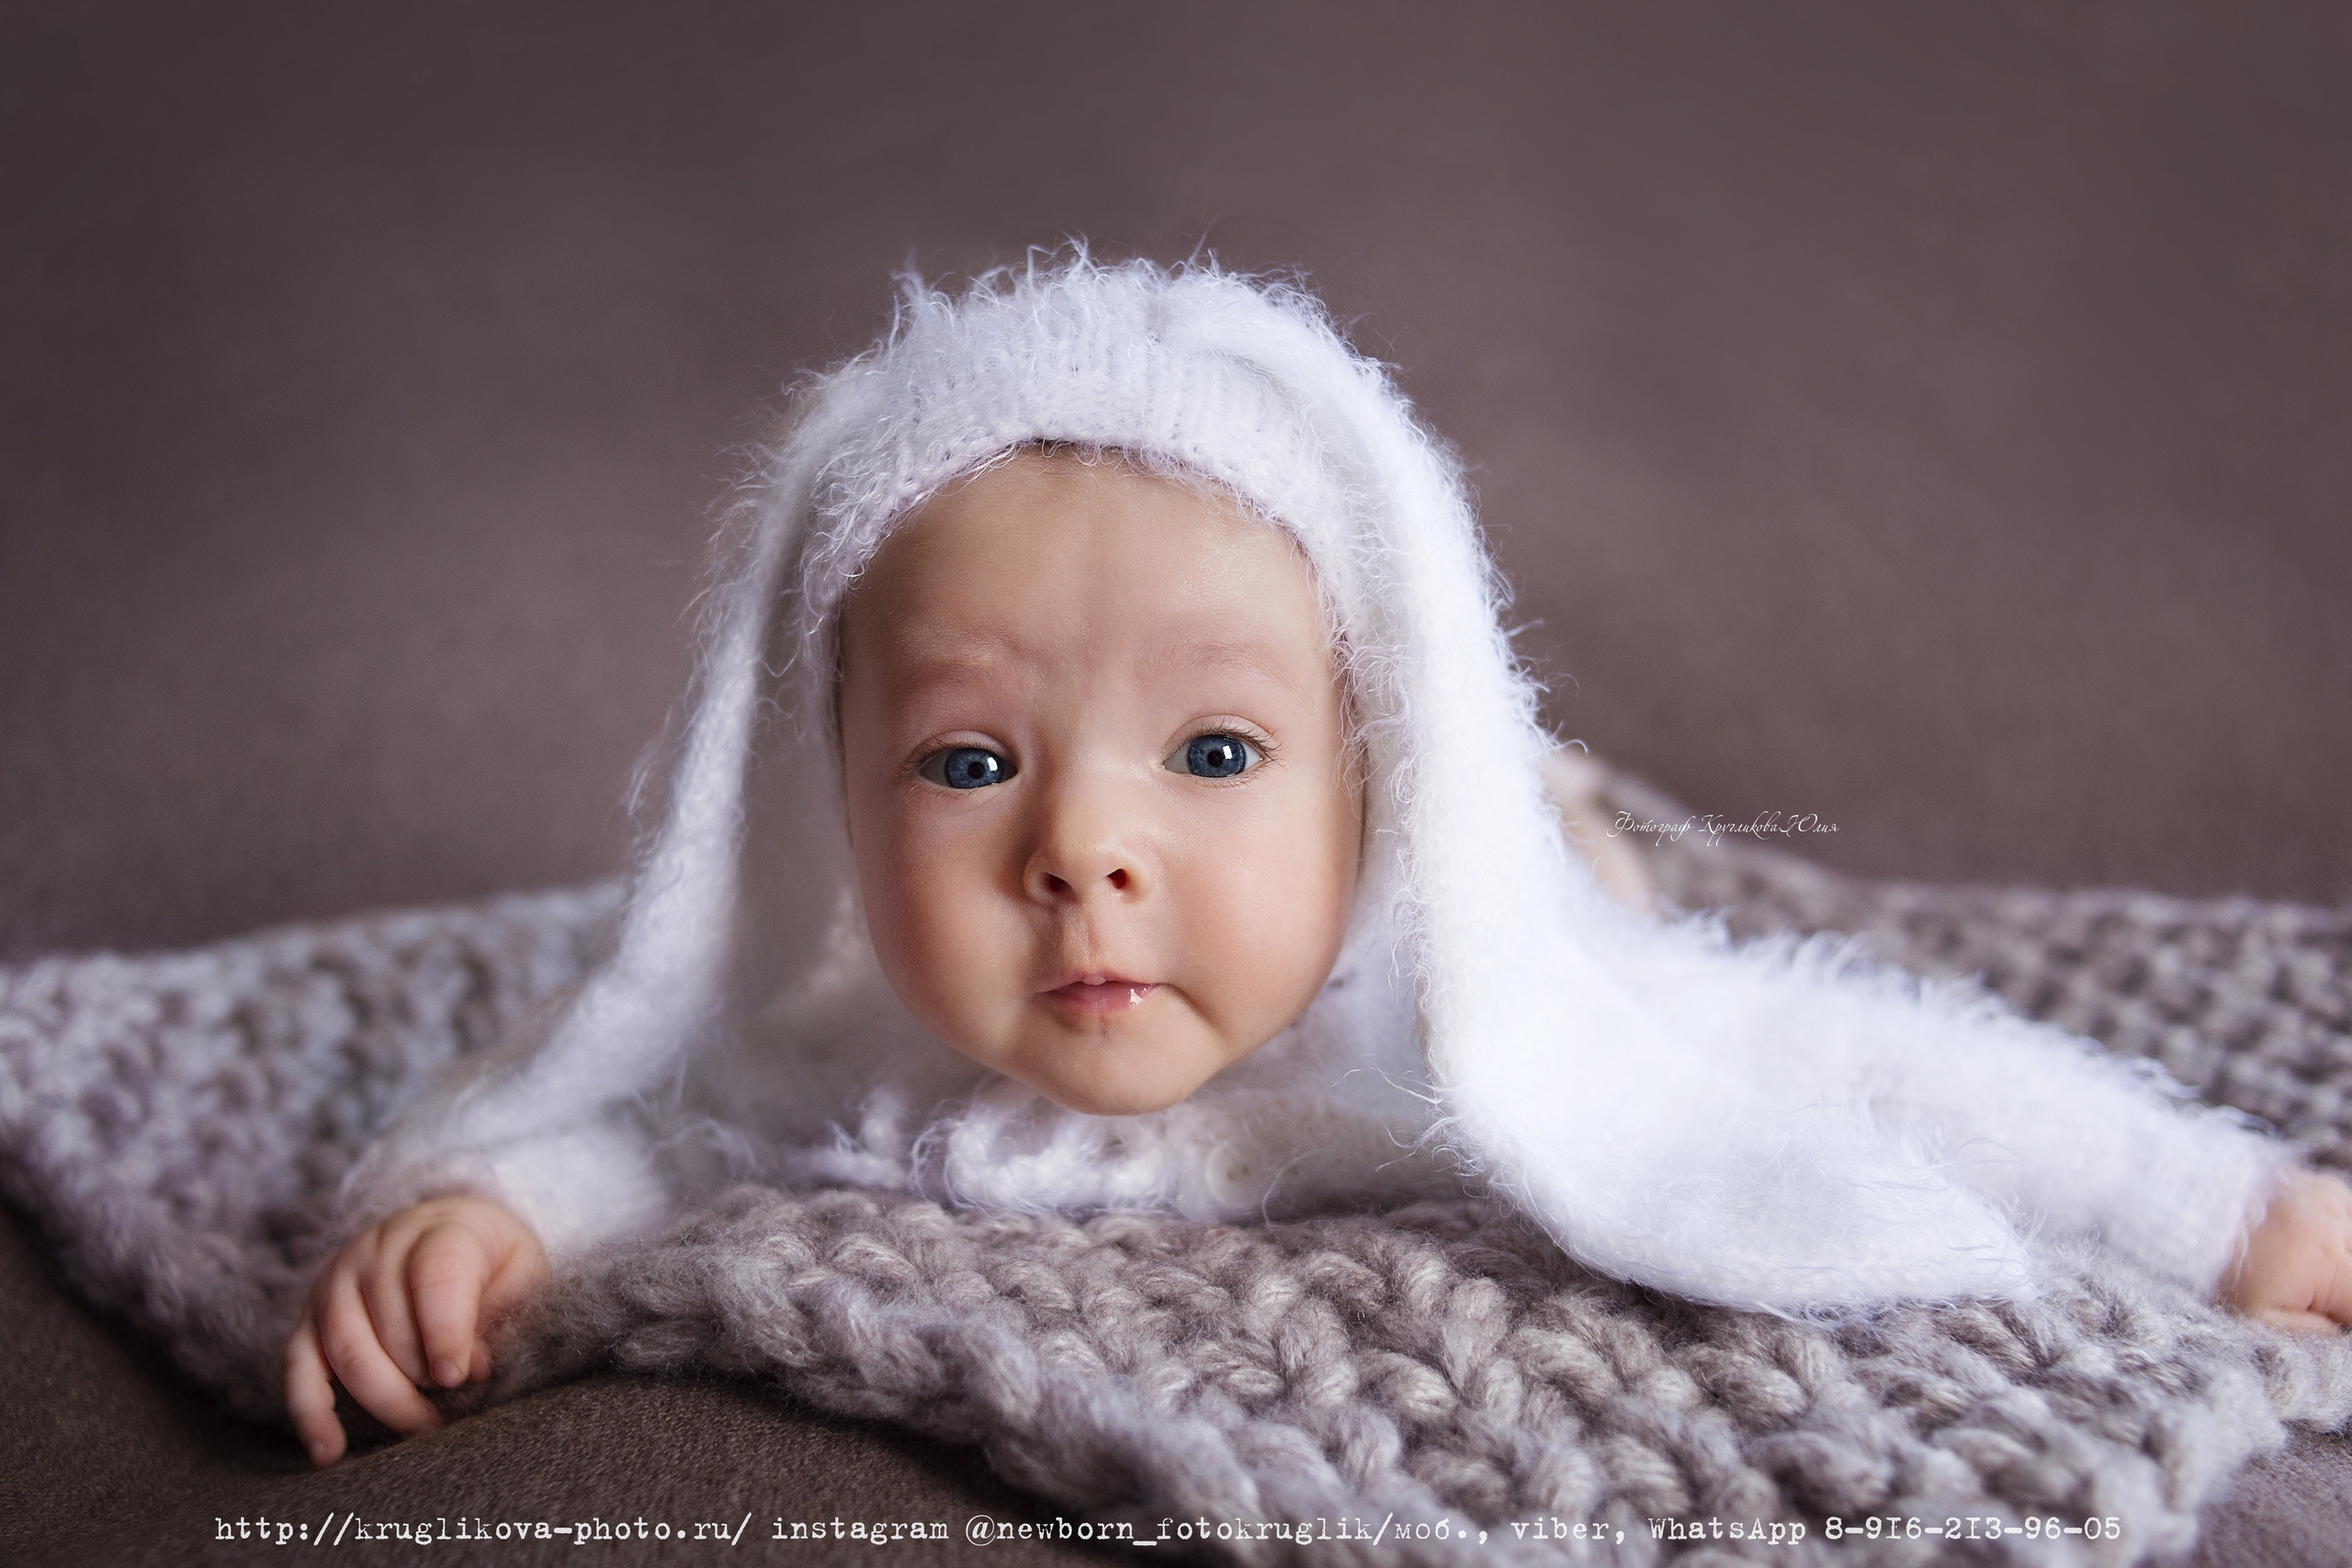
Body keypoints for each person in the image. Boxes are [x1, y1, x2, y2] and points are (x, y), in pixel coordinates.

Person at [285, 253, 2352, 1467]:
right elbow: (682, 1117)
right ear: (826, 792)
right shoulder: (861, 1054)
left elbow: (1846, 1059)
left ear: (1373, 776)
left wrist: (2223, 1216)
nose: (1082, 849)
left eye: (1213, 751)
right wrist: (494, 1207)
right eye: (969, 759)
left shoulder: (1472, 1030)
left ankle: (1544, 810)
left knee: (1608, 899)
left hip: (1507, 891)